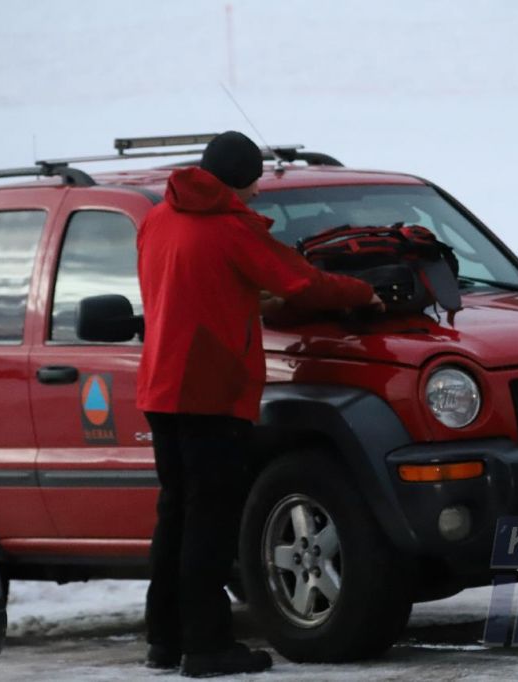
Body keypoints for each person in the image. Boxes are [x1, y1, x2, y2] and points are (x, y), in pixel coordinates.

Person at [136, 131, 381, 677]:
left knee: (176, 515)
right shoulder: (231, 228)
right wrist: (363, 293)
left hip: (161, 387)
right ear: (240, 181)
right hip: (211, 391)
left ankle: (165, 639)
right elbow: (304, 283)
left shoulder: (157, 219)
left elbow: (191, 292)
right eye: (253, 185)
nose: (255, 194)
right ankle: (207, 647)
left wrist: (246, 299)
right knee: (210, 522)